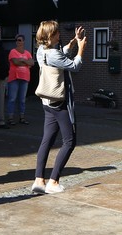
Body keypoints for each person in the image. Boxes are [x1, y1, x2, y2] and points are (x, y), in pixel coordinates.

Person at [32, 21, 86, 194]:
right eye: (56, 32)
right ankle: (53, 181)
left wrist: (73, 41)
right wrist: (81, 49)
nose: (59, 34)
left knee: (47, 140)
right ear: (51, 36)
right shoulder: (53, 54)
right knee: (69, 141)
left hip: (47, 101)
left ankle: (39, 180)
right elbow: (75, 66)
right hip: (59, 103)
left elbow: (59, 56)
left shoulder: (41, 51)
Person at [6, 34, 34, 125]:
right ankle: (10, 118)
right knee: (12, 98)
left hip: (25, 78)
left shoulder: (27, 53)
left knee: (22, 99)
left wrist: (23, 60)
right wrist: (26, 63)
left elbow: (32, 63)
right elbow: (15, 62)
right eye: (17, 40)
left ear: (23, 41)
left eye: (20, 40)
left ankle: (22, 117)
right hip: (14, 78)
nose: (18, 42)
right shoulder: (13, 51)